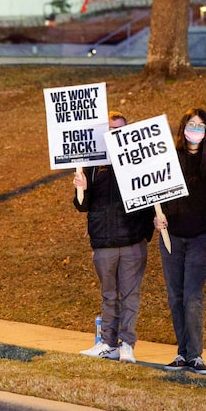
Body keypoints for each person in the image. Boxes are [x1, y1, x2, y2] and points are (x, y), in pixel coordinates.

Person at [73, 111, 154, 362]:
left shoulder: (138, 162)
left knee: (130, 296)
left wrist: (145, 233)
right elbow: (81, 205)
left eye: (118, 130)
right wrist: (81, 189)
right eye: (109, 129)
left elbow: (151, 199)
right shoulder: (91, 165)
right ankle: (108, 343)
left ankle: (126, 344)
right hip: (104, 243)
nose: (113, 134)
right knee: (109, 295)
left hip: (132, 242)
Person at [154, 108, 206, 375]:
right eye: (191, 124)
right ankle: (182, 353)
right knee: (175, 296)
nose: (195, 129)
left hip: (200, 240)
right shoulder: (169, 159)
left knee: (193, 297)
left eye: (200, 125)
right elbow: (154, 193)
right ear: (183, 127)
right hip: (171, 237)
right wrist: (158, 219)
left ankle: (195, 355)